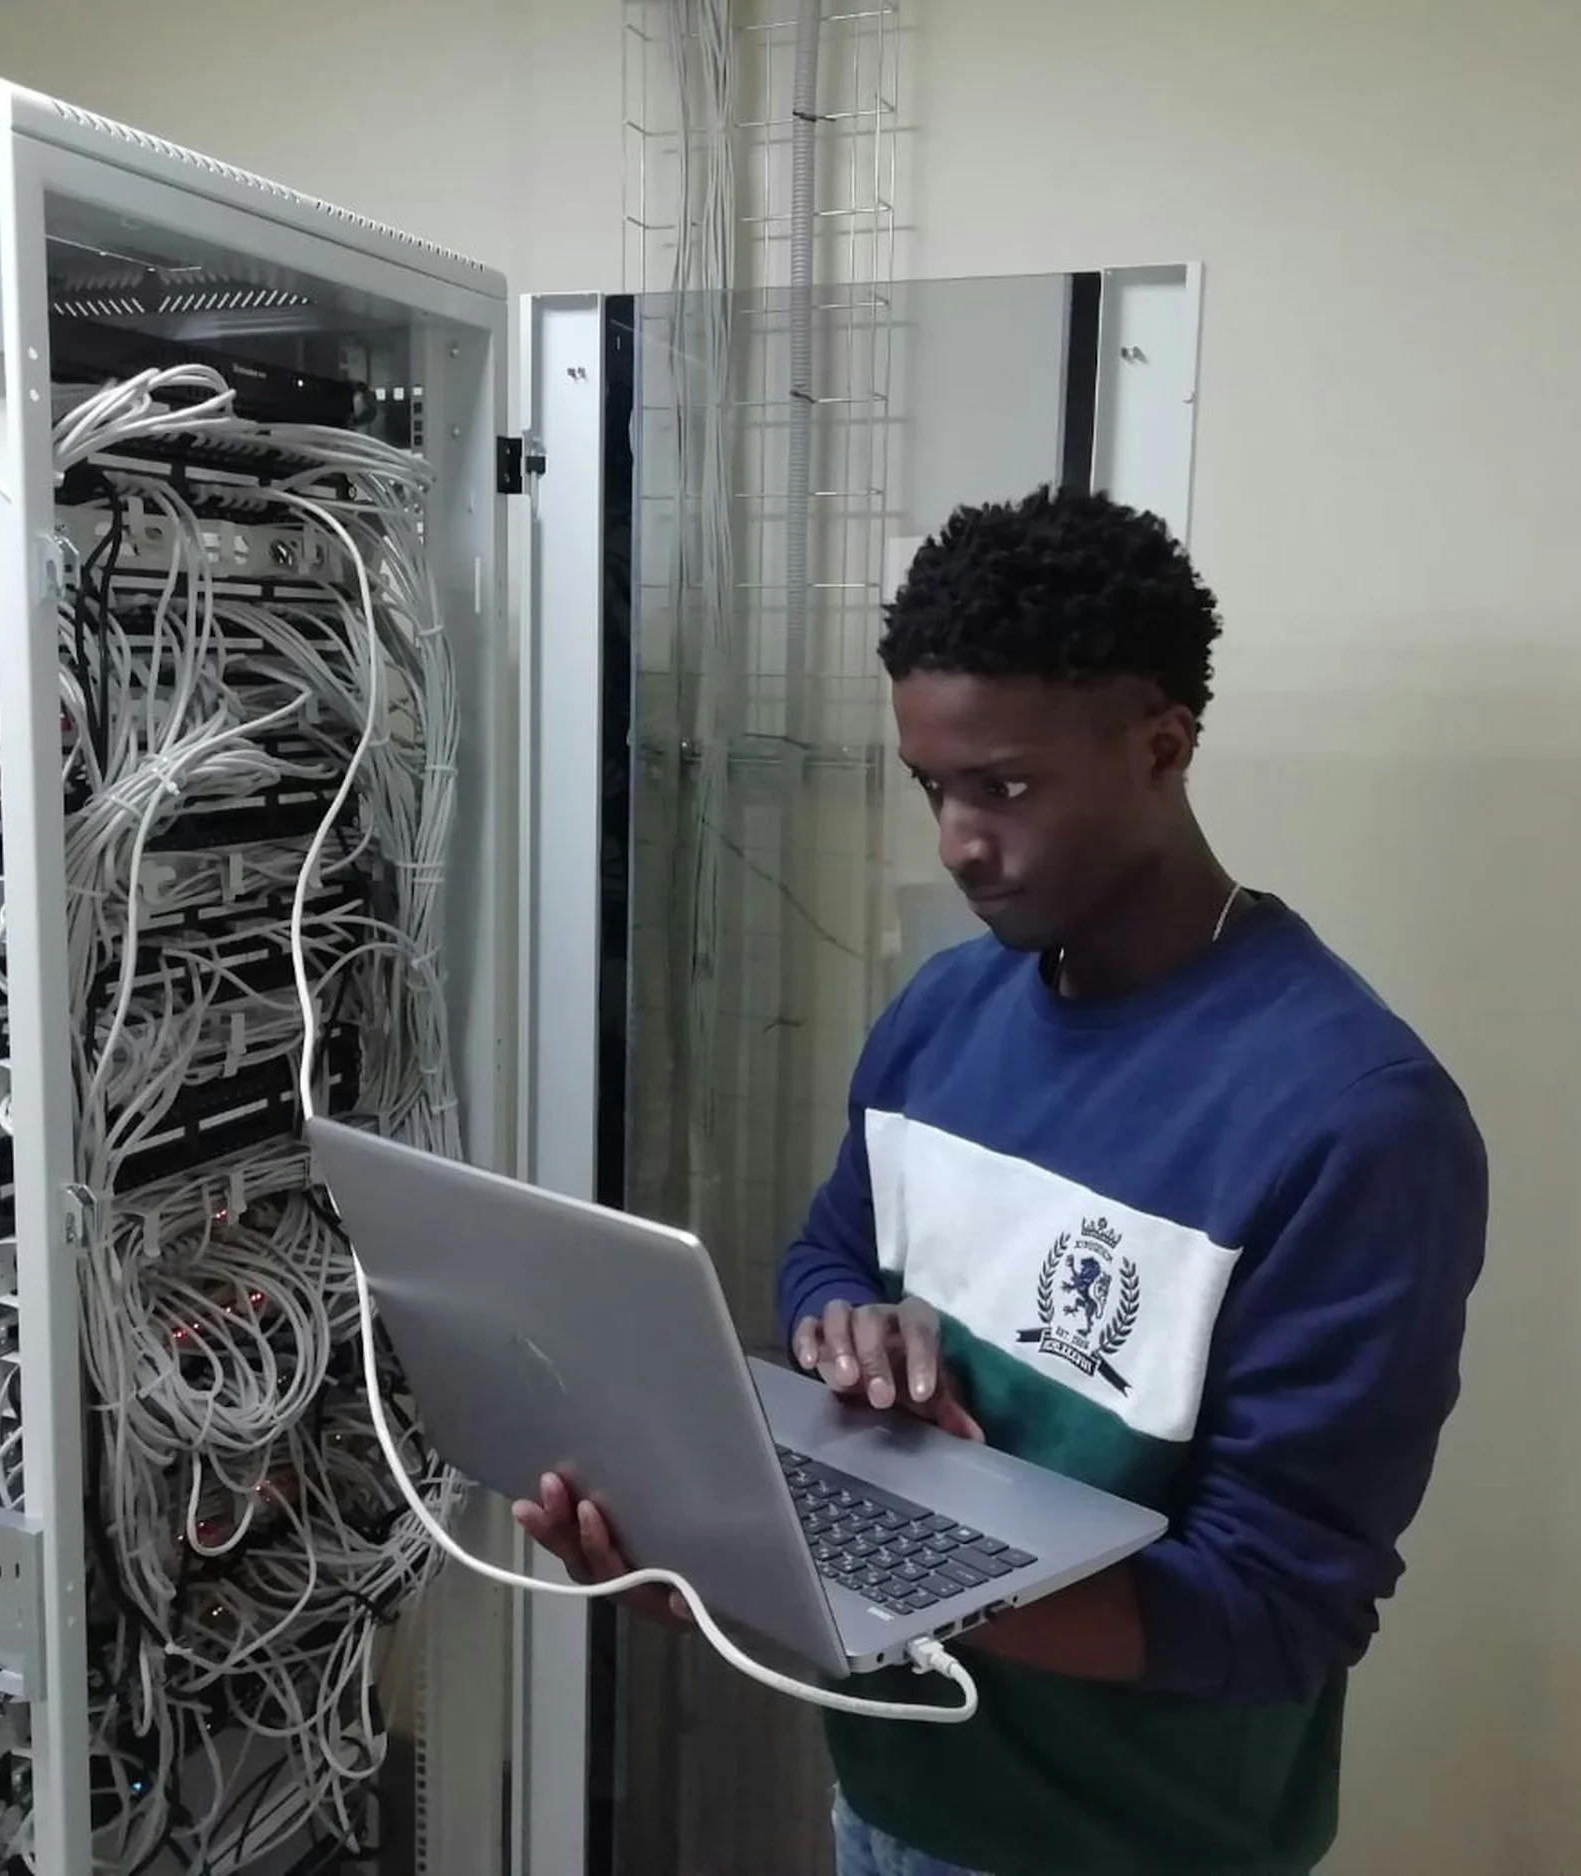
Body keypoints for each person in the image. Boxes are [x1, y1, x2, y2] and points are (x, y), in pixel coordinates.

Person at [517, 486, 1487, 1876]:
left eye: (1007, 787)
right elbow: (831, 1258)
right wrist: (843, 1328)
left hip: (1131, 1844)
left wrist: (828, 1571)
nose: (960, 842)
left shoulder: (1353, 1121)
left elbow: (1279, 1608)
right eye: (933, 787)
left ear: (1163, 744)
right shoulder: (943, 1012)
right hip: (892, 1788)